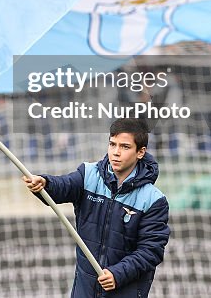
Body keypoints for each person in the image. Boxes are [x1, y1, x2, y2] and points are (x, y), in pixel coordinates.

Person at [22, 119, 170, 297]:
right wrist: (45, 183)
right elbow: (63, 186)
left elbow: (150, 251)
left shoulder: (154, 200)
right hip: (84, 290)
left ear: (140, 152)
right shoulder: (88, 174)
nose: (116, 152)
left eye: (124, 147)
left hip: (125, 290)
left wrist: (117, 274)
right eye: (112, 144)